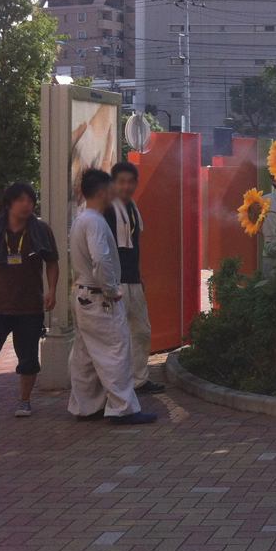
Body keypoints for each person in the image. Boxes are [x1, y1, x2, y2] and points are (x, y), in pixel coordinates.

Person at [67, 169, 156, 425]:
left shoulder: (83, 218)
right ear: (102, 191)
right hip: (99, 297)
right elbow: (101, 258)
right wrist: (111, 289)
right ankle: (123, 407)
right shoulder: (94, 221)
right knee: (115, 350)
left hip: (84, 295)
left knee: (86, 356)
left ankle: (86, 406)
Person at [0, 182, 59, 417]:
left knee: (28, 356)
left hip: (30, 306)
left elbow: (52, 262)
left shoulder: (41, 230)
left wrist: (51, 291)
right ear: (9, 203)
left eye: (30, 200)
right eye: (21, 200)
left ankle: (24, 400)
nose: (26, 204)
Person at [103, 162, 164, 393]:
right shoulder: (107, 209)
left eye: (130, 181)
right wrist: (107, 283)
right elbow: (103, 251)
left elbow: (134, 247)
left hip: (133, 280)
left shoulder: (132, 207)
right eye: (121, 181)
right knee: (115, 337)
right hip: (114, 283)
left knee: (141, 331)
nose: (126, 186)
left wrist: (140, 278)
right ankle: (115, 384)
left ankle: (138, 380)